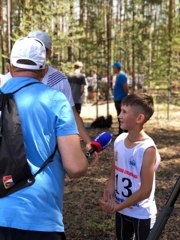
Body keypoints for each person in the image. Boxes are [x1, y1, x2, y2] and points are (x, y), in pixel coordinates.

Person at [0, 37, 88, 240]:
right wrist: (86, 158)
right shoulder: (56, 100)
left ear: (10, 67)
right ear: (43, 70)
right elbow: (75, 167)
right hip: (40, 217)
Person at [3, 30, 97, 161]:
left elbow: (72, 113)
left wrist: (87, 141)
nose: (34, 51)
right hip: (11, 154)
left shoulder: (59, 80)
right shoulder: (6, 80)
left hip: (47, 153)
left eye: (41, 48)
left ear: (49, 53)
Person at [99, 94, 161, 240]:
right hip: (122, 212)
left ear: (139, 118)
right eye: (120, 110)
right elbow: (115, 172)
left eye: (124, 112)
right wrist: (108, 195)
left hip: (141, 215)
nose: (119, 116)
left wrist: (117, 207)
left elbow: (145, 191)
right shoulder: (119, 140)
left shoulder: (147, 149)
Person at [112, 61, 128, 135]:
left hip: (121, 99)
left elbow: (125, 87)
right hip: (117, 98)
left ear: (117, 68)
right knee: (119, 115)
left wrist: (125, 98)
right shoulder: (118, 75)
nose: (113, 69)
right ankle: (121, 131)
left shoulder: (122, 76)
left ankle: (124, 131)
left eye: (113, 67)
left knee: (122, 115)